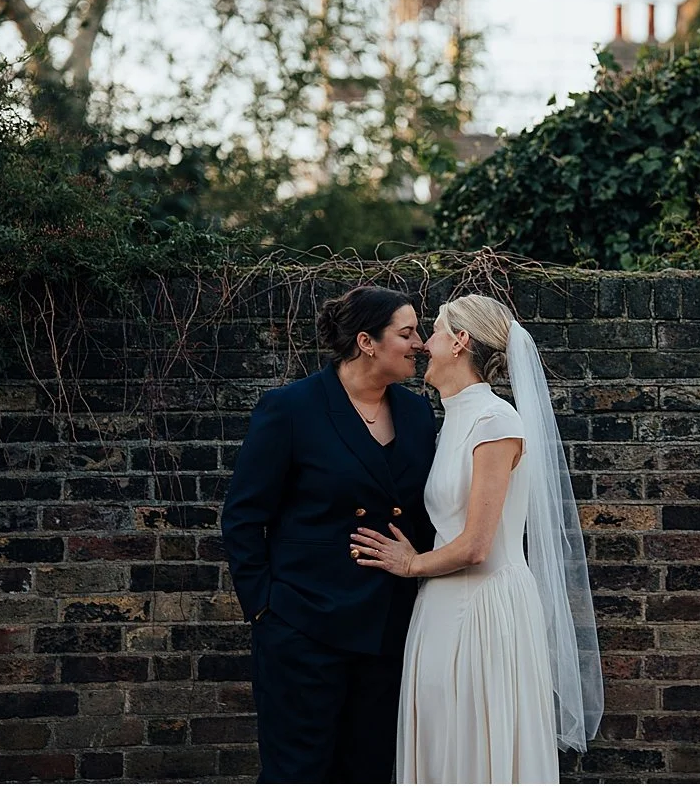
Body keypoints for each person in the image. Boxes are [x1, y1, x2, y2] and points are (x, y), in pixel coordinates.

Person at [349, 293, 604, 781]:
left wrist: (408, 564)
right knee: (442, 744)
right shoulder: (452, 419)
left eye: (437, 329)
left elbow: (476, 544)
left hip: (484, 609)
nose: (424, 343)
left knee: (473, 750)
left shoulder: (496, 422)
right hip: (441, 606)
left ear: (461, 341)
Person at [220, 285, 439, 783]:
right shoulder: (291, 408)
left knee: (370, 768)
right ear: (367, 342)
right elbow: (243, 516)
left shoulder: (416, 413)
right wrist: (265, 609)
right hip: (304, 624)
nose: (421, 343)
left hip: (389, 626)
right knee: (299, 769)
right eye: (406, 333)